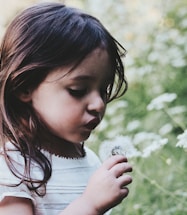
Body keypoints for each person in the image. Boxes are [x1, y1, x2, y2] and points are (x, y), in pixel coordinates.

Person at [0, 2, 132, 215]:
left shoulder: (90, 160)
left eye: (103, 90)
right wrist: (90, 204)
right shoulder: (13, 168)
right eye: (78, 90)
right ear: (24, 87)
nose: (98, 104)